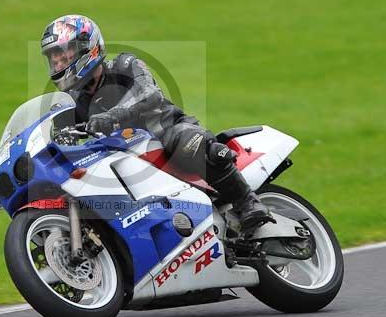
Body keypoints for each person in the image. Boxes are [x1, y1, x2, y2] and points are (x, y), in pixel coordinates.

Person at [40, 14, 273, 237]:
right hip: (123, 156)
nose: (58, 62)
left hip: (165, 133)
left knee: (188, 143)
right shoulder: (75, 103)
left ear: (86, 47)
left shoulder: (125, 64)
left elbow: (150, 93)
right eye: (54, 58)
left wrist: (113, 115)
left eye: (64, 54)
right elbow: (60, 138)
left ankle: (248, 201)